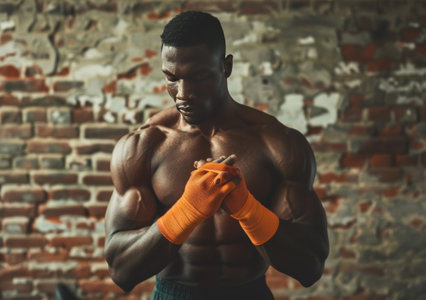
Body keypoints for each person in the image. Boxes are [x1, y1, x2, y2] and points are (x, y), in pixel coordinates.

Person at [104, 10, 329, 300]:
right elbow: (122, 270)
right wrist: (188, 210)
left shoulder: (277, 143)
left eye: (199, 77)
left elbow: (310, 266)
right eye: (171, 78)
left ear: (226, 66)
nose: (183, 93)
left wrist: (247, 209)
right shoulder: (143, 146)